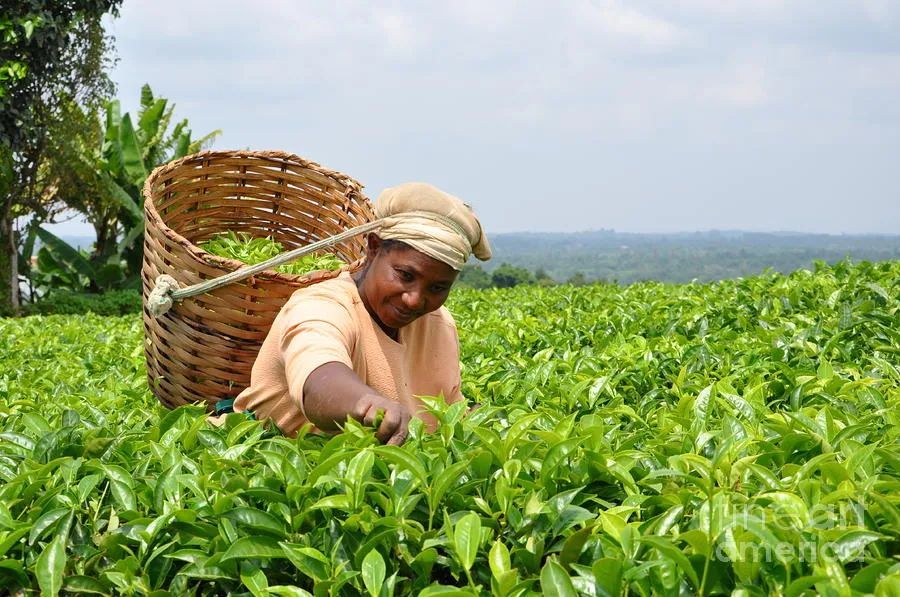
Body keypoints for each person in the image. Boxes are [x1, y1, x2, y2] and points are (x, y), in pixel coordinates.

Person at [230, 182, 491, 445]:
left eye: (437, 288)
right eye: (405, 275)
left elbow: (449, 413)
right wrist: (367, 404)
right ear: (374, 248)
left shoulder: (439, 325)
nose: (414, 300)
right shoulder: (321, 306)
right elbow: (318, 380)